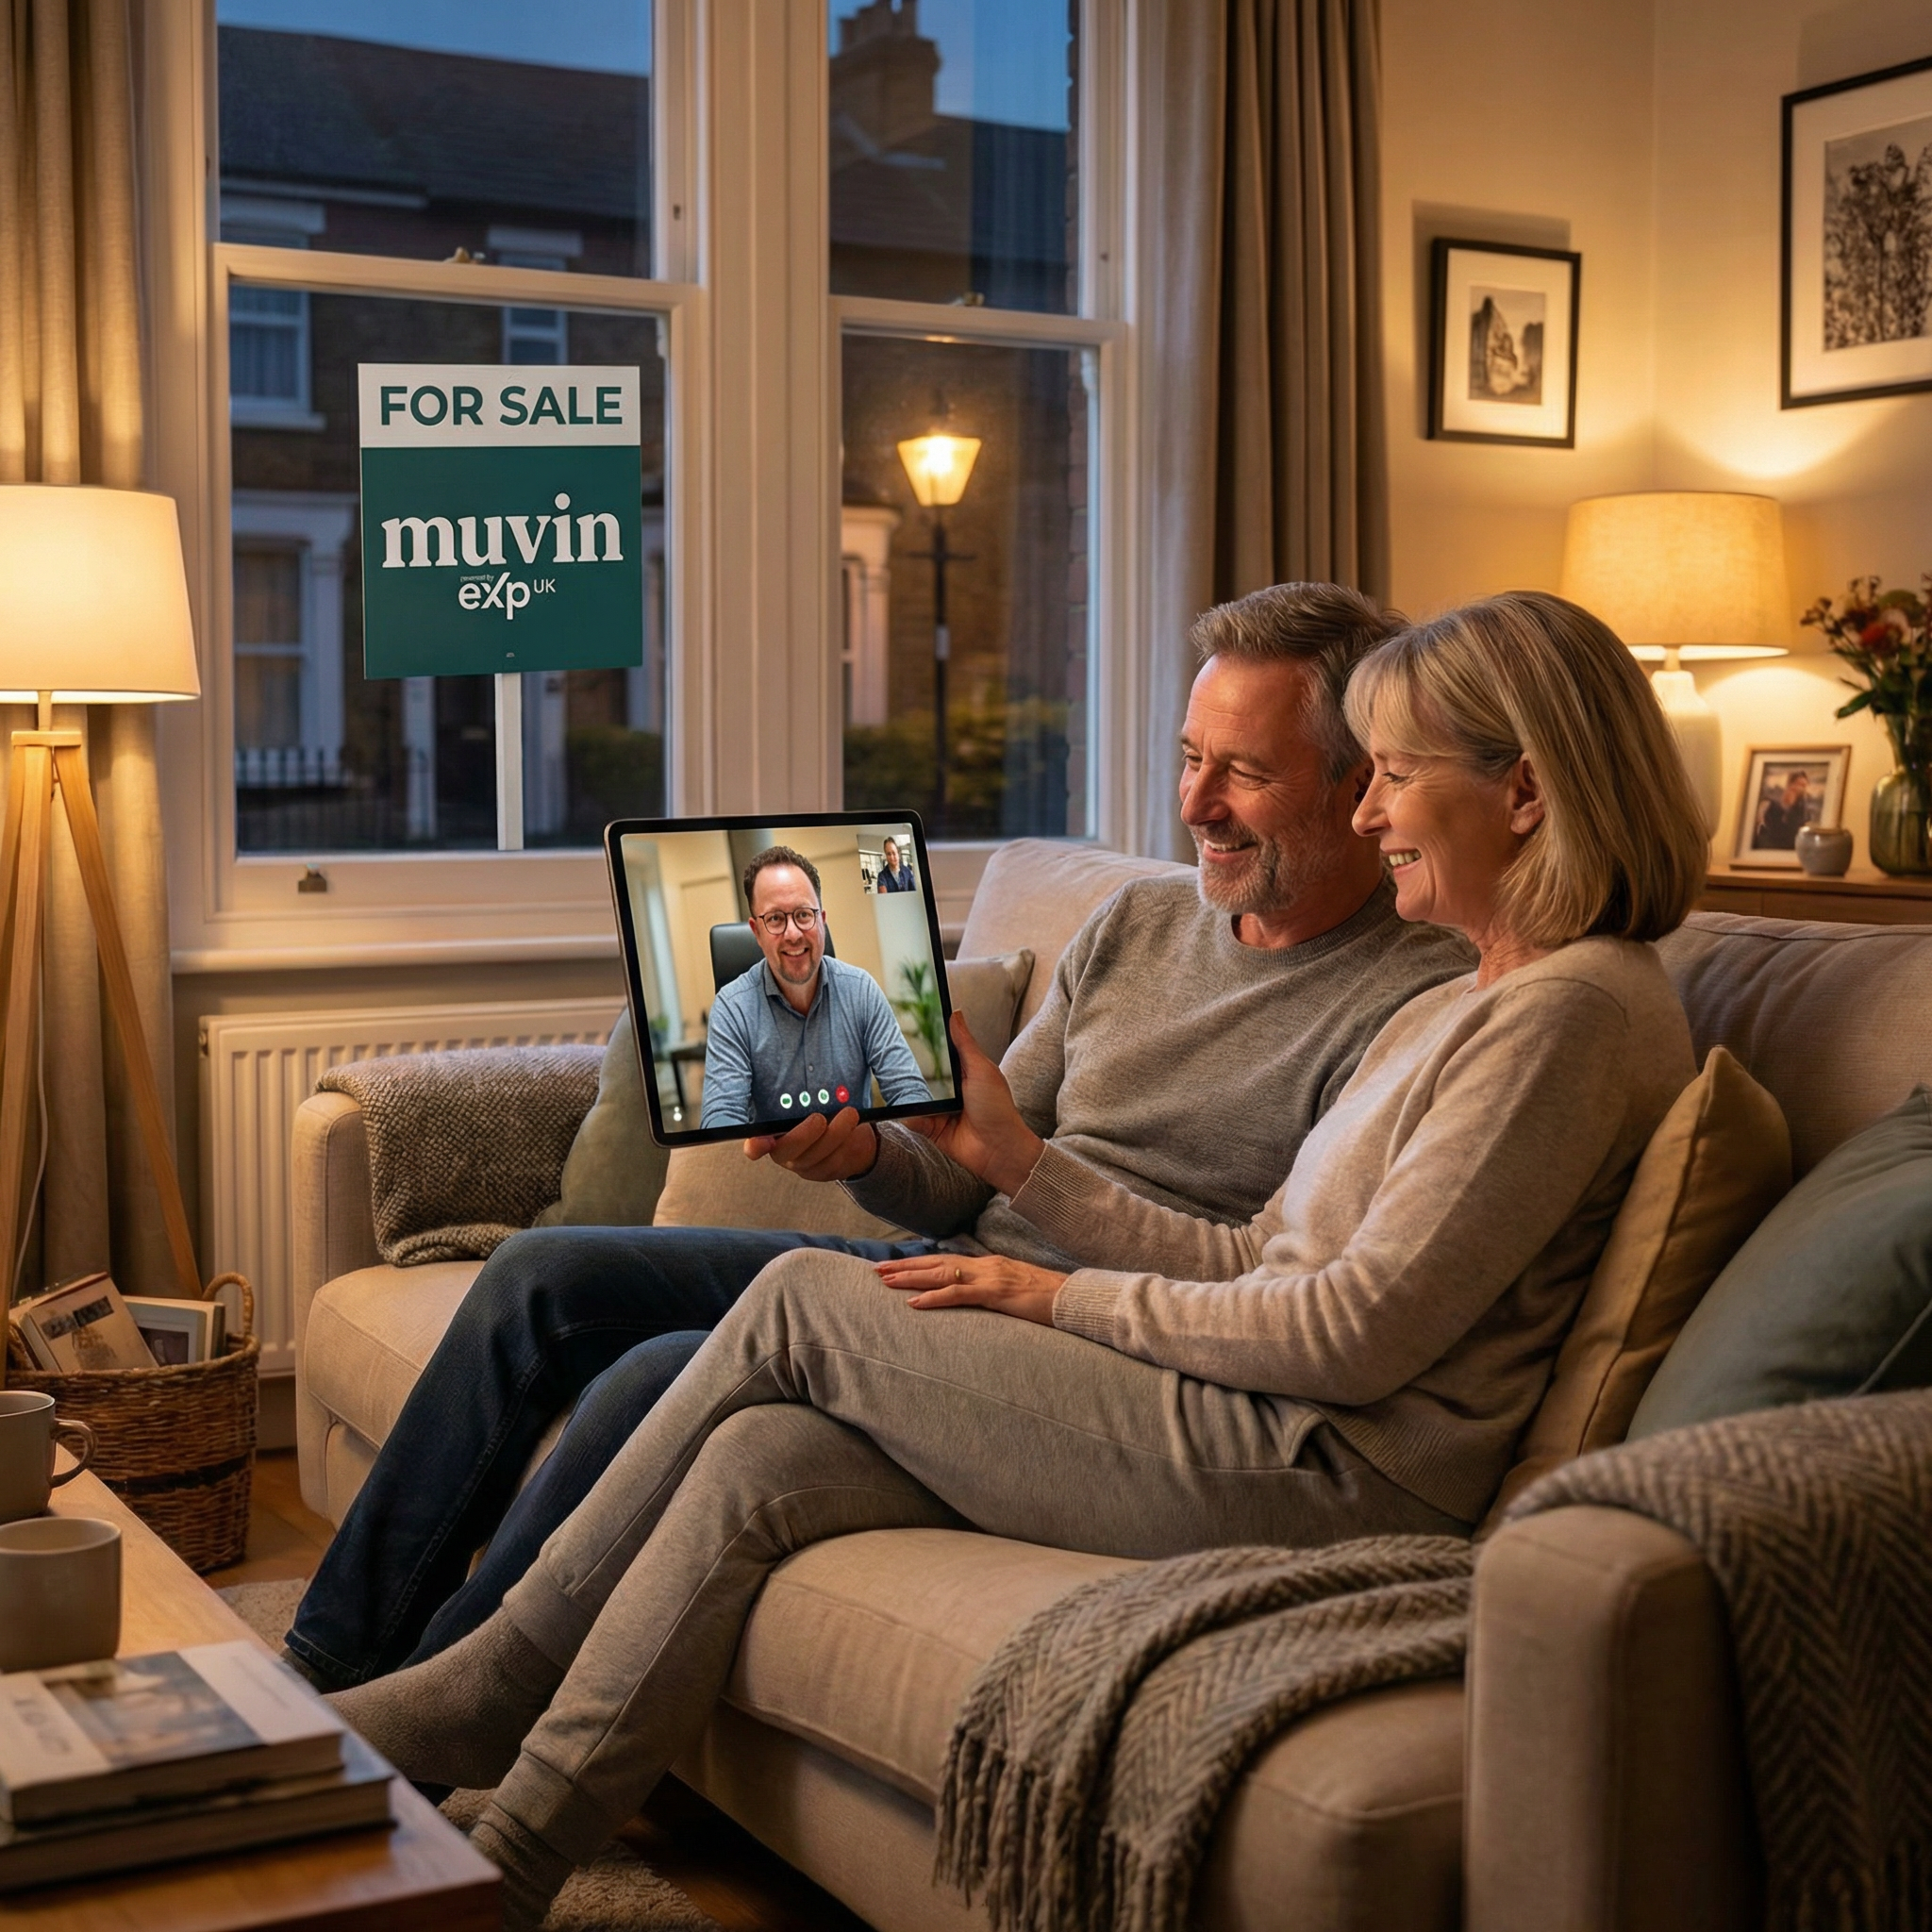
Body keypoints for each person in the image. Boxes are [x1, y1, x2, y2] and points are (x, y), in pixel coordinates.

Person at [330, 589, 1707, 1928]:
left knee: (800, 1301)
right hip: (1243, 1394)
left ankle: (489, 1682)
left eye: (1393, 776)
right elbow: (1254, 1256)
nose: (1368, 812)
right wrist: (923, 1163)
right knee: (763, 1454)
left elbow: (1349, 1335)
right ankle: (507, 1864)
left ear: (1523, 793)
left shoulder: (1561, 1015)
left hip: (1333, 1459)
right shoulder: (1479, 993)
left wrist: (1056, 1293)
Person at [285, 582, 1474, 1693]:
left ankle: (429, 1709)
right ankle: (322, 1669)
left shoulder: (1415, 1000)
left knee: (656, 1373)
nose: (1193, 804)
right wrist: (867, 1157)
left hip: (1098, 1339)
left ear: (1359, 783)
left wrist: (1017, 1175)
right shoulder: (1138, 920)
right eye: (1188, 756)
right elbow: (967, 1171)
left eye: (1244, 773)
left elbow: (1265, 1287)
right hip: (951, 1269)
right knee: (540, 1273)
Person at [697, 845, 930, 1128]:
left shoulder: (861, 991)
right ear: (756, 932)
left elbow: (910, 1092)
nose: (793, 934)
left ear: (822, 920)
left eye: (804, 914)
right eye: (775, 919)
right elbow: (719, 1117)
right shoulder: (732, 1008)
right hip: (772, 1156)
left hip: (857, 1152)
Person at [1755, 769, 1811, 849]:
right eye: (1799, 784)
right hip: (1771, 844)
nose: (1801, 789)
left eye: (1804, 786)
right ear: (1790, 784)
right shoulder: (1772, 802)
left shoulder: (1803, 807)